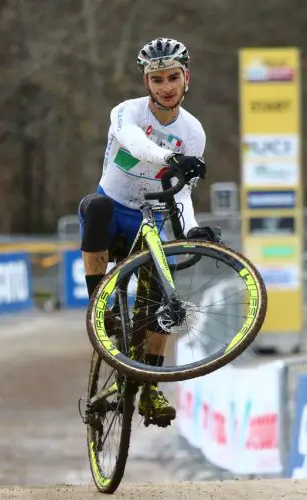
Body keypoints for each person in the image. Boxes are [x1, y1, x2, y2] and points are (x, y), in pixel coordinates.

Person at [77, 37, 220, 425]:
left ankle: (151, 388)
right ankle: (98, 310)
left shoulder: (194, 132)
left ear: (186, 78)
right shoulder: (127, 112)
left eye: (173, 77)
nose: (166, 87)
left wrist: (192, 229)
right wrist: (171, 158)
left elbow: (183, 191)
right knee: (96, 205)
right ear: (146, 83)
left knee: (165, 302)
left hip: (150, 220)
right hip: (114, 211)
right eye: (157, 80)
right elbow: (135, 144)